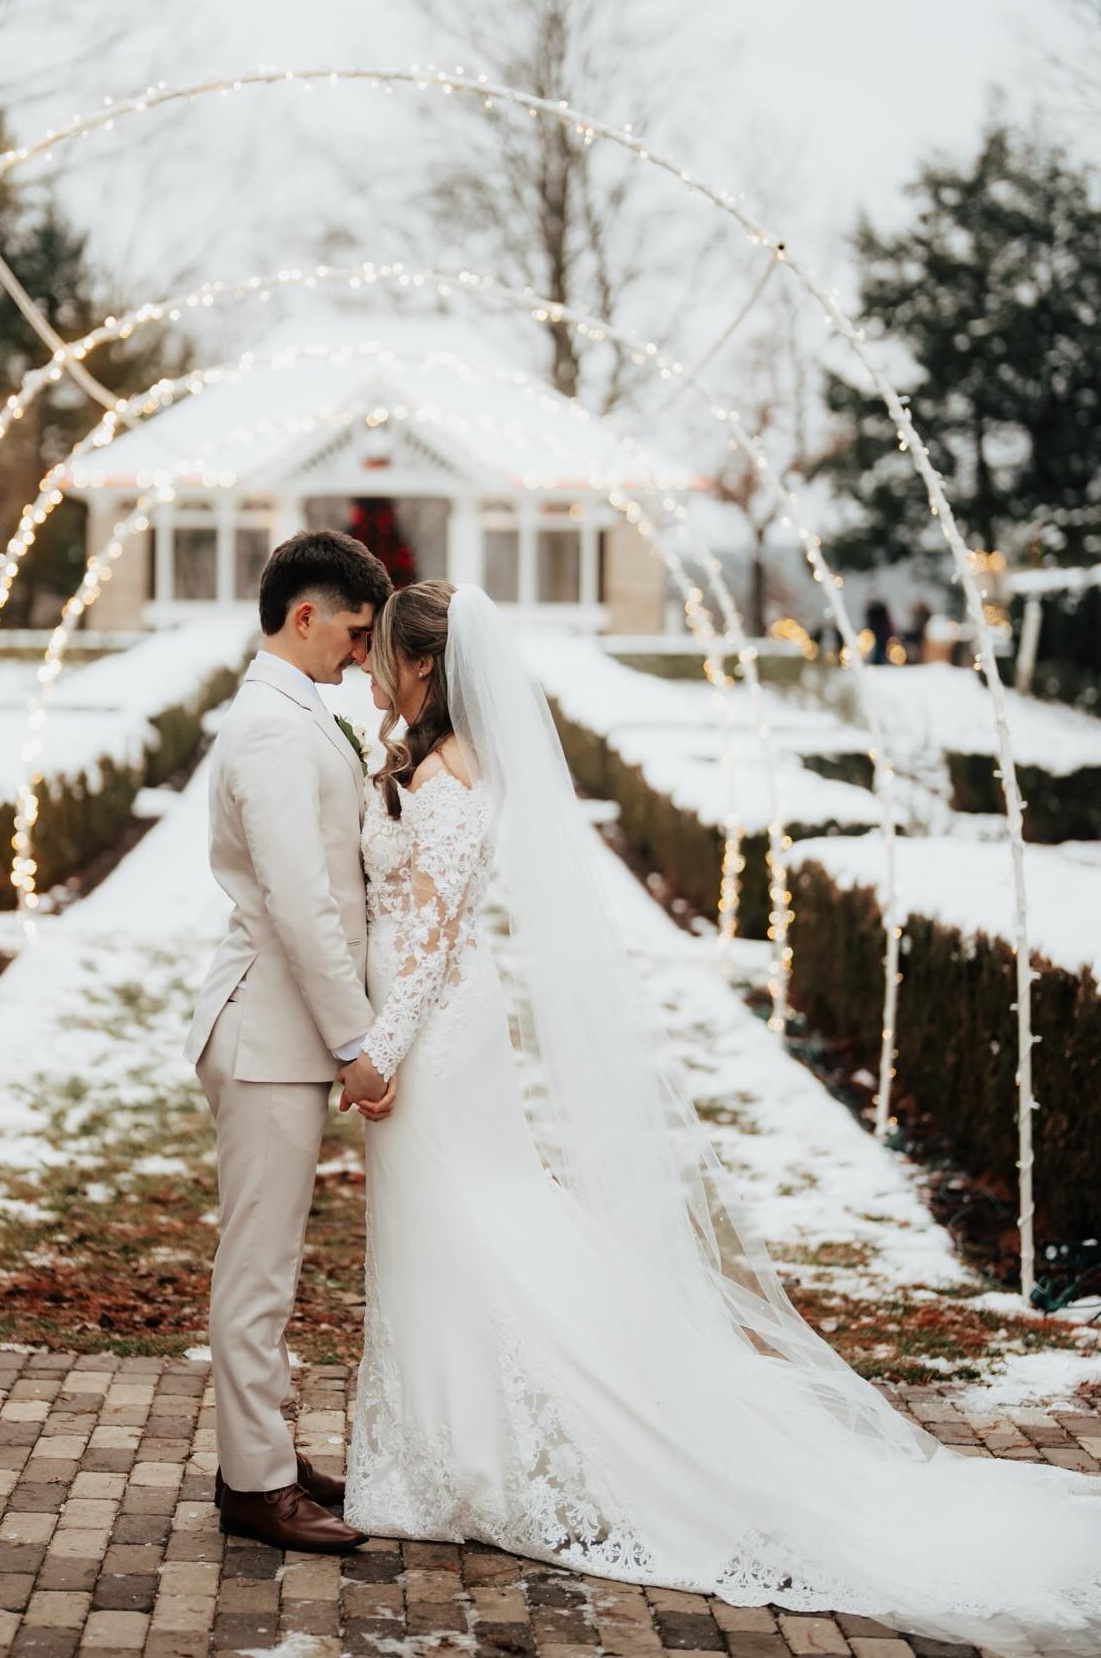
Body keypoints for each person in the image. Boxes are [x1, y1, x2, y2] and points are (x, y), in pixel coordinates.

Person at [338, 577, 1101, 1658]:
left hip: (437, 1041)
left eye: (386, 656)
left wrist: (379, 1052)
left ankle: (476, 1456)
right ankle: (448, 1446)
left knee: (474, 1233)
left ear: (421, 667)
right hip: (421, 1033)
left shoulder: (456, 784)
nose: (372, 667)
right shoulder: (423, 760)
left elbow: (432, 938)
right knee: (445, 1236)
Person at [182, 528, 394, 1554]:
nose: (362, 654)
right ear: (304, 615)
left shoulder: (298, 708)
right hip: (266, 1029)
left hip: (281, 1030)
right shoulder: (270, 728)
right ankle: (253, 1485)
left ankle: (267, 1451)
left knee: (273, 1263)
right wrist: (359, 1038)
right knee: (256, 1269)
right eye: (354, 633)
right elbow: (302, 902)